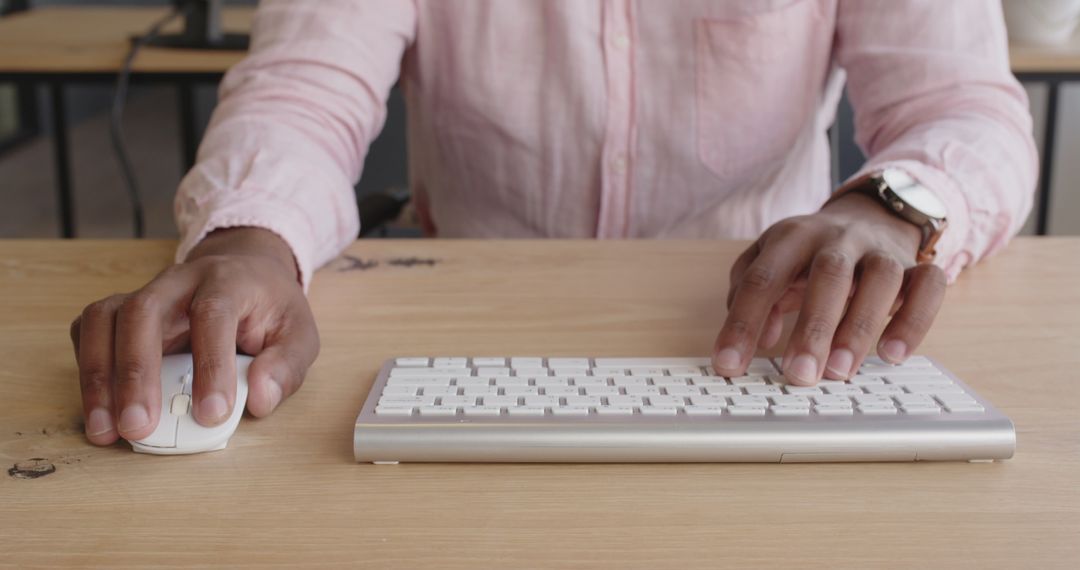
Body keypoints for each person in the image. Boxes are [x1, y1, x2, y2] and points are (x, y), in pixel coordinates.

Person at [69, 0, 1037, 446]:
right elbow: (304, 92)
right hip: (465, 352)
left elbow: (962, 103)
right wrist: (252, 238)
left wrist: (892, 206)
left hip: (778, 348)